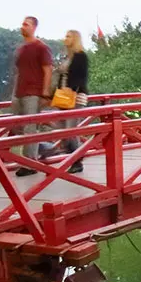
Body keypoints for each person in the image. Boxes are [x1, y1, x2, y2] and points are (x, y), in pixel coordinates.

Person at [12, 16, 53, 177]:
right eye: (22, 24)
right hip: (20, 92)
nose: (22, 27)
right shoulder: (21, 49)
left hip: (33, 92)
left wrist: (45, 92)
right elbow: (19, 72)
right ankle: (45, 147)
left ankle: (30, 163)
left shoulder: (41, 47)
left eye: (26, 24)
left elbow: (47, 69)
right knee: (17, 127)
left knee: (30, 127)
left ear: (34, 27)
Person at [54, 30, 89, 174]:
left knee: (70, 130)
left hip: (75, 95)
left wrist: (73, 89)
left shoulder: (80, 56)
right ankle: (73, 155)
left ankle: (77, 160)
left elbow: (82, 77)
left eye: (68, 36)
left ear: (74, 39)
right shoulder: (67, 56)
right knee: (62, 129)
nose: (65, 38)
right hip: (63, 95)